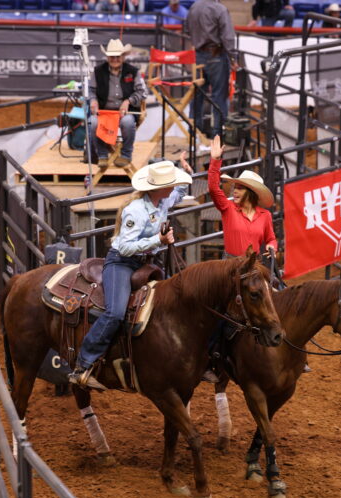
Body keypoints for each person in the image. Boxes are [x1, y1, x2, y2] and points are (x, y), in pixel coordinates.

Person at [69, 160, 192, 389]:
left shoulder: (163, 199)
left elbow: (180, 194)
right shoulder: (135, 211)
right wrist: (158, 240)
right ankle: (83, 364)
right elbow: (125, 247)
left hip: (146, 263)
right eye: (171, 183)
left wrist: (186, 171)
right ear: (158, 188)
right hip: (122, 262)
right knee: (115, 312)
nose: (174, 187)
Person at [180, 135, 278, 382]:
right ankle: (209, 359)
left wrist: (272, 247)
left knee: (278, 299)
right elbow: (214, 188)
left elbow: (271, 238)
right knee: (219, 314)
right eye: (235, 187)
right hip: (230, 267)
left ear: (251, 193)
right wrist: (215, 161)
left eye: (240, 188)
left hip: (254, 268)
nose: (234, 191)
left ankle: (285, 349)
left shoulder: (265, 216)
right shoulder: (227, 208)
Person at [87, 39, 147, 171]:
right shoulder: (97, 71)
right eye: (112, 56)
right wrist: (93, 100)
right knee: (92, 122)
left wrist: (128, 101)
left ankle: (126, 155)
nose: (115, 59)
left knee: (128, 122)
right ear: (107, 57)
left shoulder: (133, 71)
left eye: (118, 56)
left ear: (123, 56)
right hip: (103, 112)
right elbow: (91, 91)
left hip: (125, 112)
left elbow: (143, 92)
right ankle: (102, 155)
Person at [185, 0, 237, 138]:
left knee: (197, 94)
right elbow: (228, 36)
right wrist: (233, 58)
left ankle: (194, 132)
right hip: (216, 55)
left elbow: (187, 29)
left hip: (198, 55)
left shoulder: (194, 7)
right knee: (219, 96)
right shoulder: (220, 9)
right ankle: (218, 134)